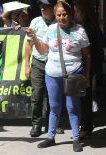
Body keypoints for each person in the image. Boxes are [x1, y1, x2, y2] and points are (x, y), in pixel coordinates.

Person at [25, 0, 91, 152]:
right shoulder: (51, 29)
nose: (62, 17)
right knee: (54, 107)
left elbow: (87, 56)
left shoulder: (80, 31)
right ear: (55, 15)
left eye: (65, 14)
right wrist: (34, 37)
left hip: (73, 75)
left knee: (72, 107)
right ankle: (50, 137)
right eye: (59, 15)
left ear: (71, 14)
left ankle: (76, 138)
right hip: (52, 74)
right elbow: (43, 51)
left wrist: (87, 75)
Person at [25, 0, 57, 137]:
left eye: (46, 6)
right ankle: (36, 124)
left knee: (53, 96)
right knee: (37, 94)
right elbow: (28, 44)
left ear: (53, 8)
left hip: (54, 63)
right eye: (41, 6)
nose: (43, 9)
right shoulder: (35, 22)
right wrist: (27, 64)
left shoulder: (59, 22)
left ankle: (52, 125)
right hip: (38, 62)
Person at [73, 0, 104, 140]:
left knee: (85, 96)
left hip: (87, 66)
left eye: (77, 11)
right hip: (90, 66)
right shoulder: (91, 25)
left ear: (84, 11)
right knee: (86, 95)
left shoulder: (86, 27)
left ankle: (85, 126)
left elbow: (88, 53)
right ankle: (86, 124)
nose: (75, 14)